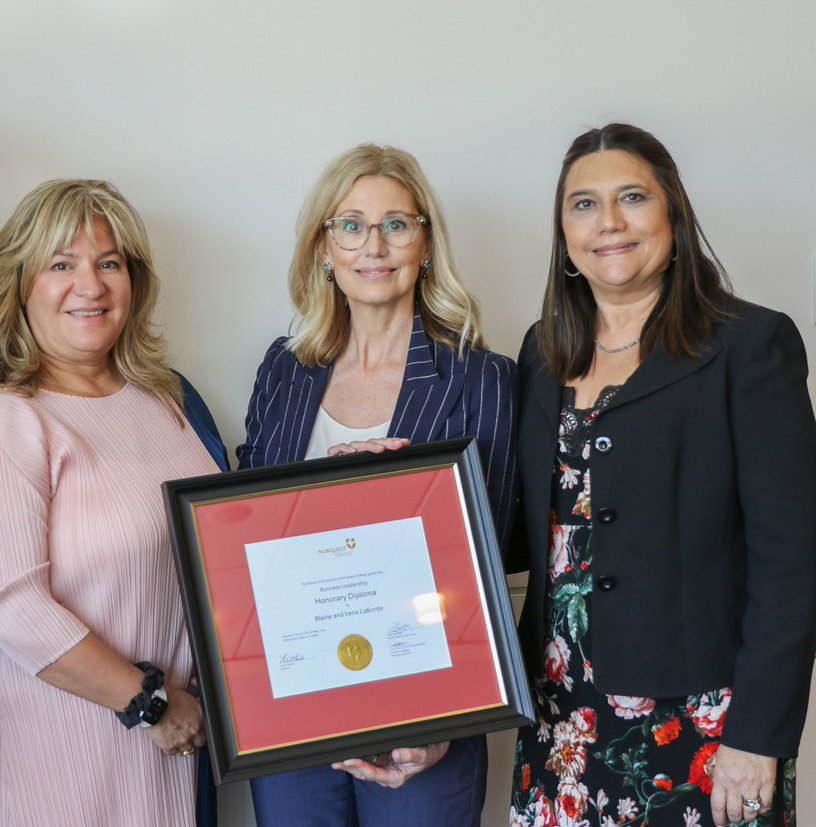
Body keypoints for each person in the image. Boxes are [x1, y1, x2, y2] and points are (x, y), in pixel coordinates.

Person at [508, 123, 815, 827]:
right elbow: (536, 529)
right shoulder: (542, 351)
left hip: (702, 727)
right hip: (558, 719)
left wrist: (757, 737)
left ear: (672, 213)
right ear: (563, 231)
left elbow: (792, 560)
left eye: (632, 198)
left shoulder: (747, 346)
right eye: (583, 204)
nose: (608, 221)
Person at [238, 143, 515, 827]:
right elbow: (244, 529)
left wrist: (446, 724)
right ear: (324, 247)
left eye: (397, 224)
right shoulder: (285, 368)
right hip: (292, 706)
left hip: (423, 716)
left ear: (425, 243)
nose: (375, 245)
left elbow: (494, 564)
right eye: (351, 224)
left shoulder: (484, 379)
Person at [0, 178, 227, 826]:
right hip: (62, 752)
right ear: (20, 285)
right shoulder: (3, 421)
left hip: (178, 748)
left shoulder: (170, 400)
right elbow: (14, 606)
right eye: (62, 264)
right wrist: (148, 702)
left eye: (109, 263)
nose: (91, 286)